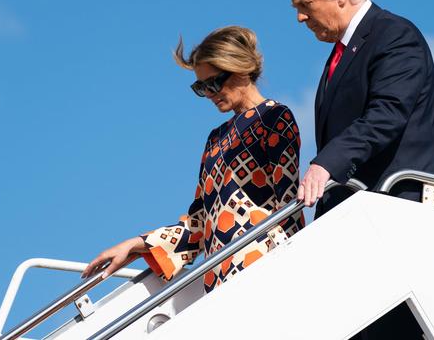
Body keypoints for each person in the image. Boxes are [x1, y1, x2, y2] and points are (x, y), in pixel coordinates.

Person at [282, 0, 434, 338]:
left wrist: (325, 164)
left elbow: (387, 114)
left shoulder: (393, 35)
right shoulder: (341, 54)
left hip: (404, 214)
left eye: (305, 5)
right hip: (361, 227)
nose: (300, 17)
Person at [82, 26, 304, 293]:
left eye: (213, 83)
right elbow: (199, 223)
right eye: (200, 87)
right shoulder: (215, 138)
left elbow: (290, 205)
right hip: (220, 278)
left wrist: (293, 270)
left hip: (264, 268)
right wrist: (135, 244)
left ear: (241, 69)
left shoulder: (274, 117)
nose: (209, 94)